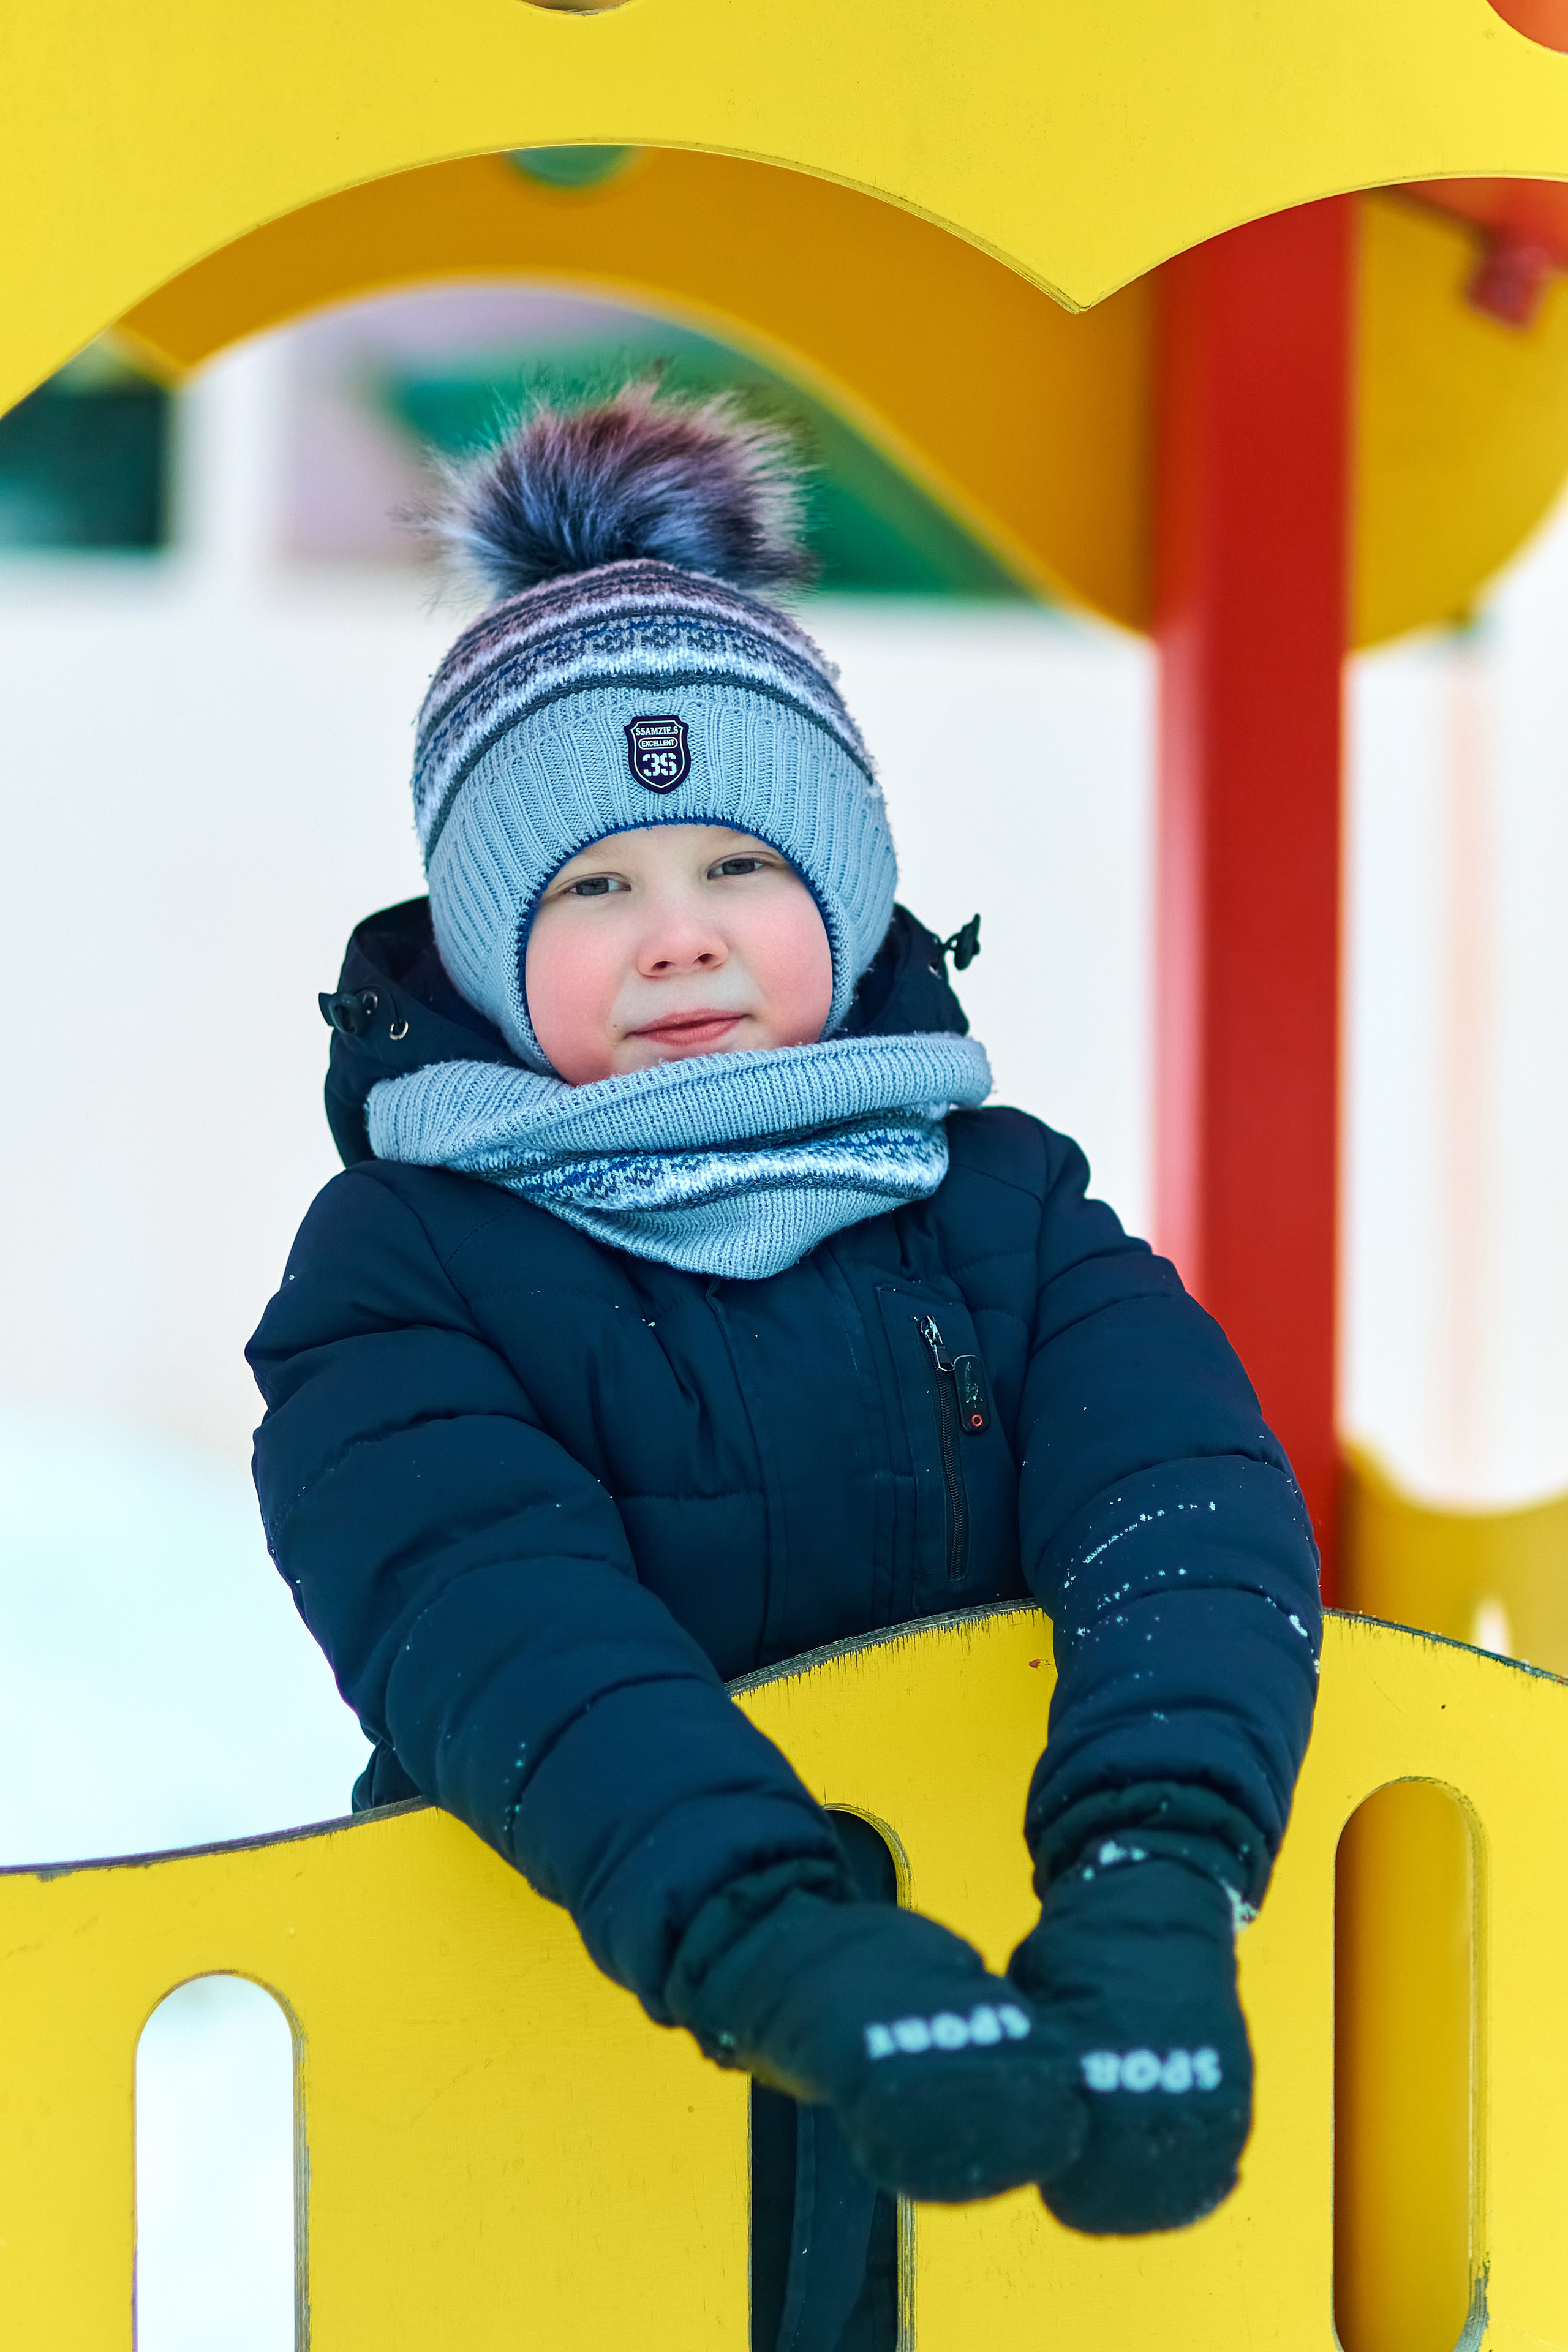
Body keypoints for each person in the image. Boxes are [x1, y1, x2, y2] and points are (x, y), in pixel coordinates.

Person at [247, 386, 1321, 2350]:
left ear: (843, 883)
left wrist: (1158, 1869)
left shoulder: (1000, 1211)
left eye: (739, 864)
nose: (677, 939)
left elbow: (1185, 1512)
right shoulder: (404, 1268)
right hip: (581, 2072)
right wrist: (764, 1924)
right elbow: (495, 1617)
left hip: (993, 2085)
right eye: (590, 888)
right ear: (485, 951)